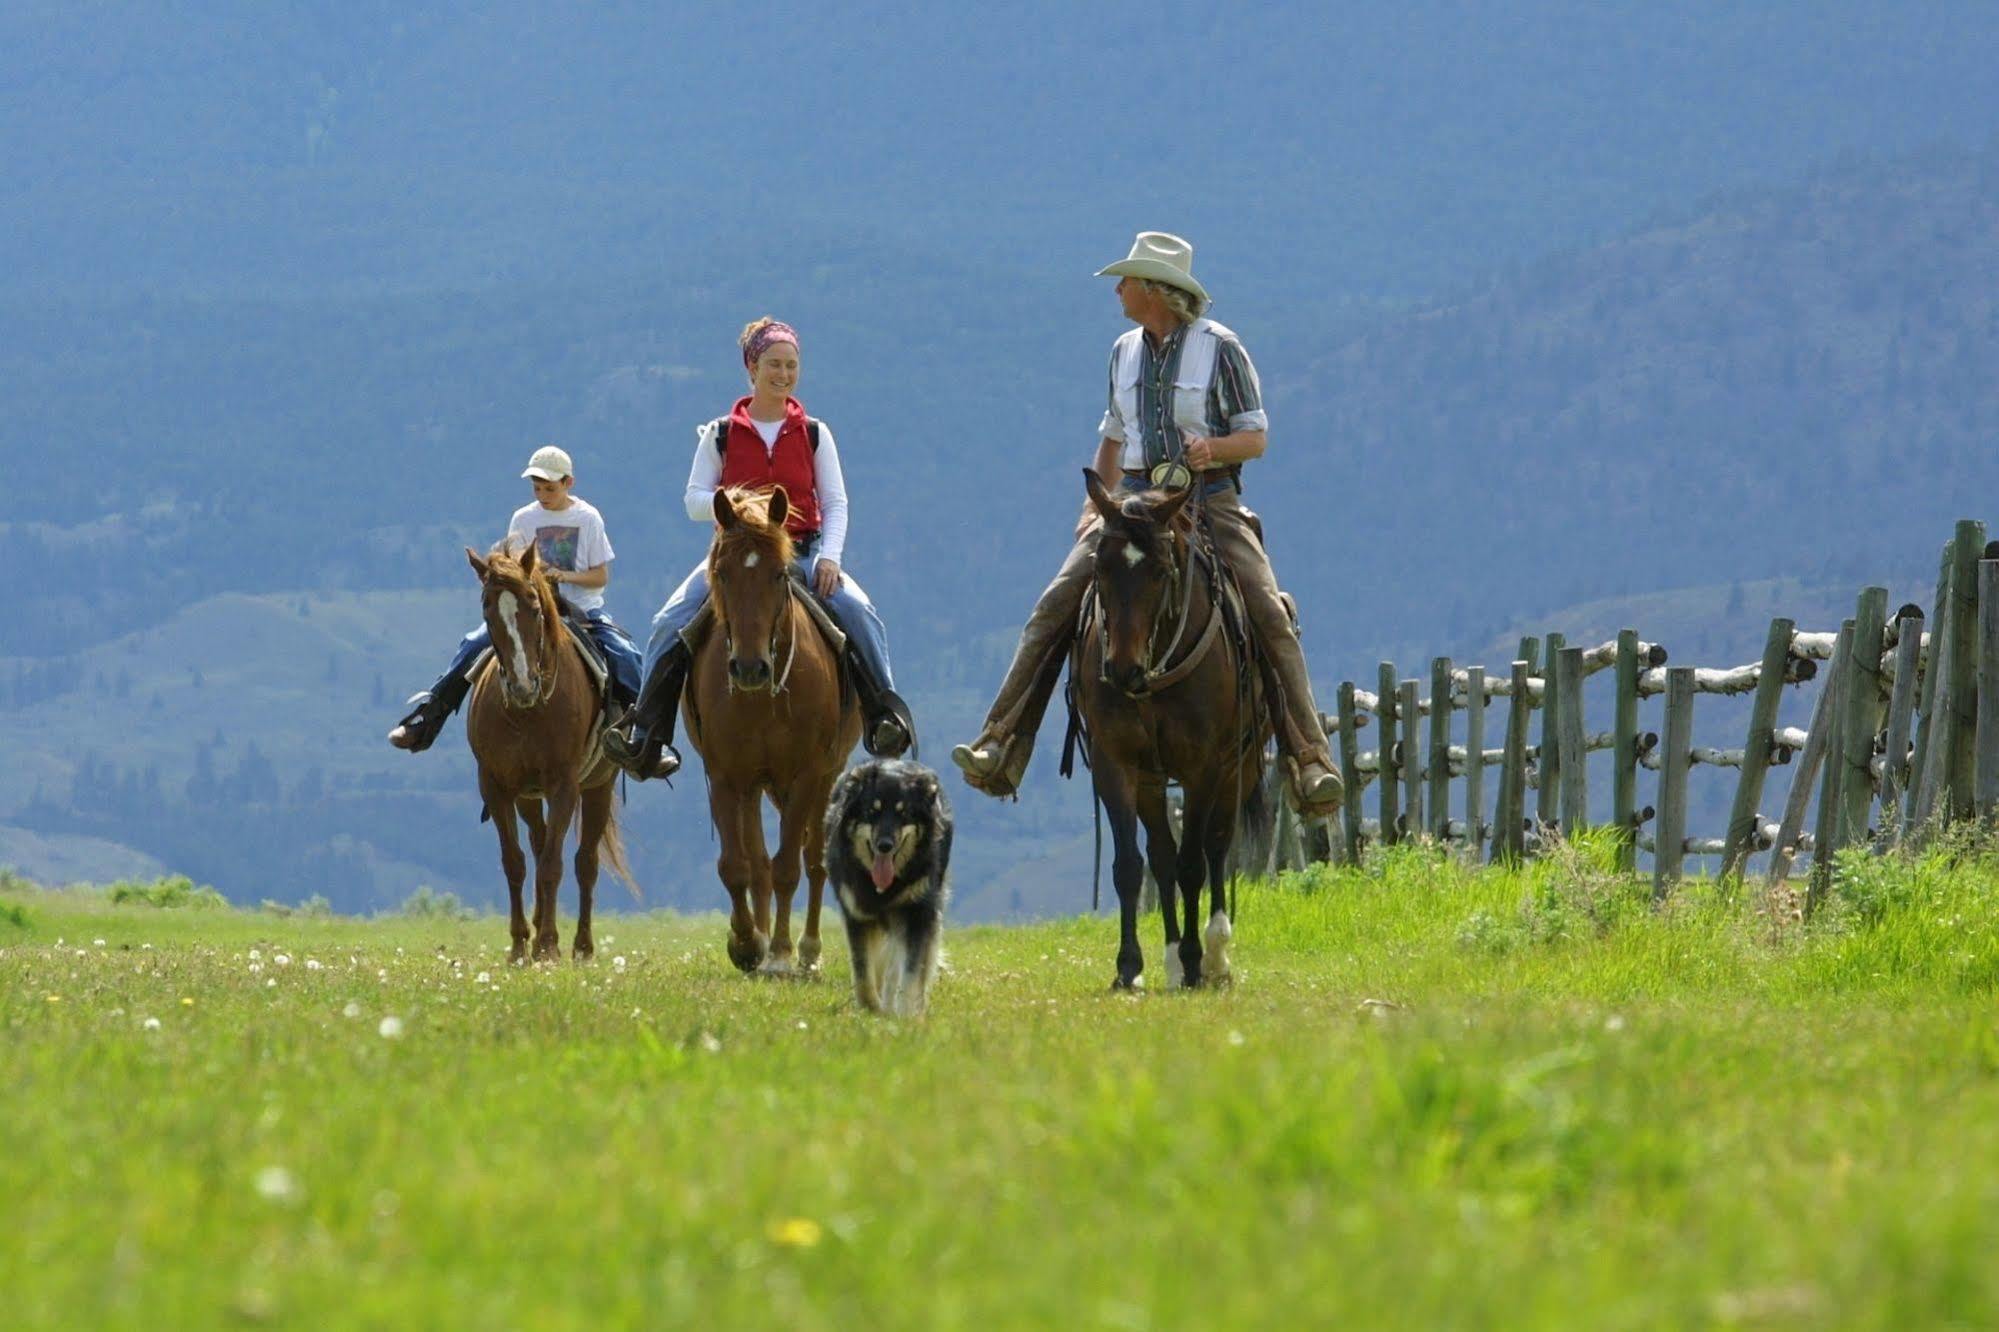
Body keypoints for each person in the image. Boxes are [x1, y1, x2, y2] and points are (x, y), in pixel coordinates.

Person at [950, 231, 1343, 814]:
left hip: (1208, 501)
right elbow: (1112, 435)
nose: (1118, 289)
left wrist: (1215, 447)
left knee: (1267, 612)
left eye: (1127, 280)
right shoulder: (1123, 351)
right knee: (1055, 605)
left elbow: (1256, 437)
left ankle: (1309, 760)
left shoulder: (1222, 348)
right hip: (1131, 501)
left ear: (1156, 291)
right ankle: (1001, 744)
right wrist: (1096, 503)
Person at [603, 317, 914, 780]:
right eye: (773, 364)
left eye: (791, 365)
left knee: (859, 612)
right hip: (733, 558)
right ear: (752, 368)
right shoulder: (722, 433)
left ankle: (884, 717)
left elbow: (835, 501)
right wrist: (740, 507)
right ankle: (648, 736)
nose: (783, 374)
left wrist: (830, 557)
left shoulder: (813, 432)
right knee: (669, 621)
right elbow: (693, 500)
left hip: (803, 553)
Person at [386, 445, 643, 751]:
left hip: (581, 609)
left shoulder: (587, 518)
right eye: (537, 488)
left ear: (568, 483)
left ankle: (645, 737)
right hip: (531, 609)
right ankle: (428, 717)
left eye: (550, 488)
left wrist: (564, 576)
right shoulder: (523, 518)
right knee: (472, 645)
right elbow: (512, 570)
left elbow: (600, 575)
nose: (543, 495)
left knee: (625, 653)